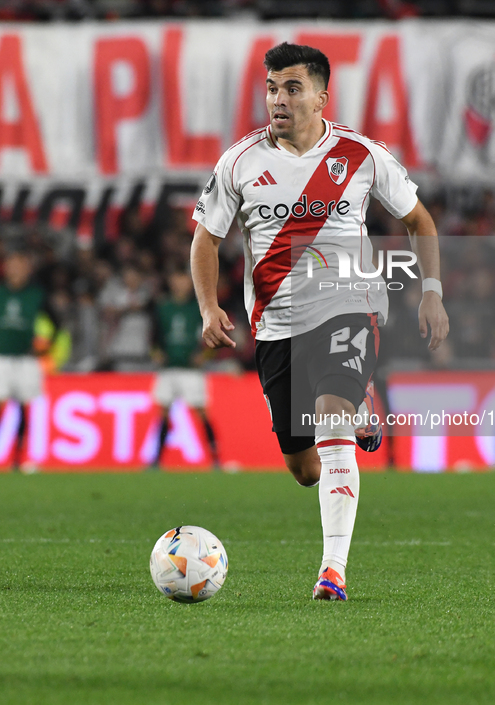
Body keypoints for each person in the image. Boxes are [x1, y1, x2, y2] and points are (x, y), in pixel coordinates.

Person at [191, 42, 448, 601]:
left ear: (320, 97)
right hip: (277, 326)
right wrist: (210, 307)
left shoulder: (361, 155)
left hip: (348, 308)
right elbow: (205, 240)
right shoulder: (240, 161)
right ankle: (358, 404)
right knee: (304, 468)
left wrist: (431, 292)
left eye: (292, 88)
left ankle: (333, 571)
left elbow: (419, 220)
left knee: (334, 421)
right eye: (271, 88)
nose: (278, 99)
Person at [150, 266, 219, 469]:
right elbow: (153, 337)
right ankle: (156, 461)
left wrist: (205, 354)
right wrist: (155, 353)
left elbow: (213, 336)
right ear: (171, 281)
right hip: (169, 368)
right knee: (163, 412)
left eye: (183, 279)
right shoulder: (162, 307)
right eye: (176, 278)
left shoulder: (198, 308)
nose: (179, 284)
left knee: (201, 412)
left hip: (191, 370)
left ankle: (216, 459)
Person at [0, 250, 54, 470]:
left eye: (20, 264)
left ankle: (19, 457)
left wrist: (44, 346)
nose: (15, 269)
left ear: (27, 268)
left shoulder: (37, 295)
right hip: (1, 358)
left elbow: (55, 323)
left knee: (25, 407)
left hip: (26, 360)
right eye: (12, 264)